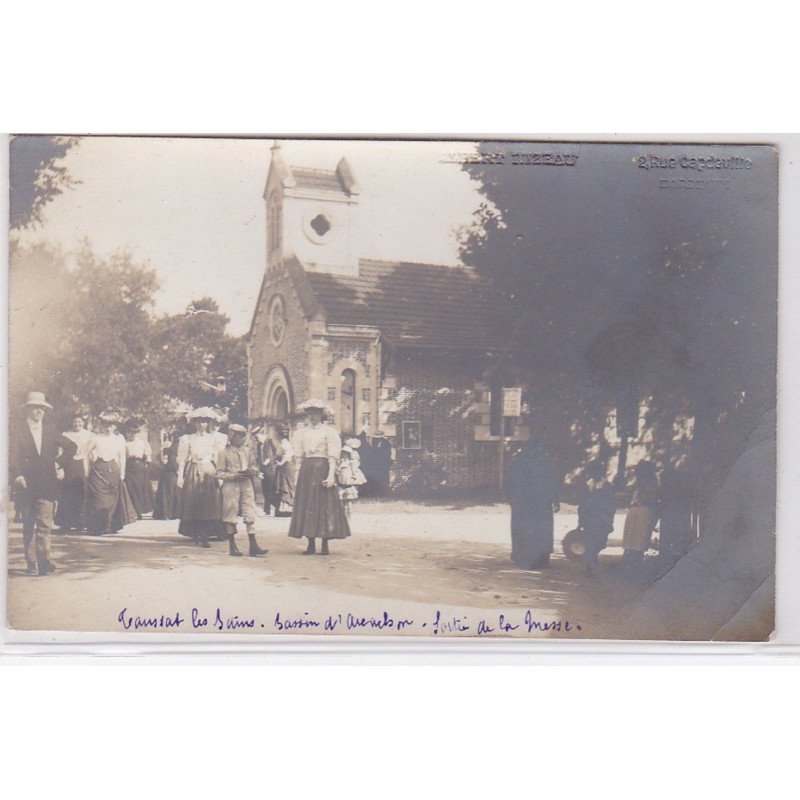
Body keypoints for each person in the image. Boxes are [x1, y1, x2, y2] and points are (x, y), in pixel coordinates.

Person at [10, 392, 63, 575]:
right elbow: (11, 455)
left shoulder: (51, 429)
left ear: (45, 411)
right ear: (28, 410)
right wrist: (17, 475)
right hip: (26, 486)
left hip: (46, 485)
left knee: (45, 525)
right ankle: (31, 563)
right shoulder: (17, 430)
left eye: (41, 408)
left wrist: (59, 464)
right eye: (34, 407)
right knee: (29, 525)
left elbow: (71, 446)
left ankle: (45, 562)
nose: (38, 411)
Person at [288, 400, 351, 555]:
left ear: (321, 414)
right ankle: (310, 544)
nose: (313, 416)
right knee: (308, 504)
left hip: (323, 468)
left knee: (325, 505)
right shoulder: (301, 432)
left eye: (315, 413)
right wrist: (296, 476)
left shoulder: (329, 431)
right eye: (310, 413)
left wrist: (331, 476)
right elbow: (299, 457)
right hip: (307, 470)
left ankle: (324, 544)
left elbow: (333, 456)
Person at [505, 439, 561, 569]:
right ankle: (541, 558)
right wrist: (555, 499)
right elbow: (553, 482)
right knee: (540, 530)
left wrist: (511, 499)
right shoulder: (545, 463)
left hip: (524, 504)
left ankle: (524, 557)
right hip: (539, 503)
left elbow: (509, 483)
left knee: (525, 530)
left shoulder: (518, 462)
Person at [215, 424, 268, 557]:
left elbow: (254, 466)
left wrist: (253, 471)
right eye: (239, 436)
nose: (243, 439)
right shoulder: (224, 452)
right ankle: (232, 546)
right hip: (231, 486)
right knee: (230, 514)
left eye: (244, 436)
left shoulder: (247, 451)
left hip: (246, 484)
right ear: (232, 437)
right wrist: (232, 475)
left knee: (249, 512)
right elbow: (218, 473)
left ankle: (253, 545)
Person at [177, 407, 224, 547]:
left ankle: (205, 534)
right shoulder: (188, 439)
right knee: (193, 501)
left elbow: (217, 459)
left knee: (208, 503)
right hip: (193, 470)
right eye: (198, 422)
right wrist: (180, 476)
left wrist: (220, 475)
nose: (201, 425)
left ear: (208, 423)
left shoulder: (213, 439)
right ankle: (196, 532)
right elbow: (182, 459)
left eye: (204, 422)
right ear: (194, 423)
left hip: (208, 471)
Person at [86, 412, 137, 536]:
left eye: (111, 425)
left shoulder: (119, 438)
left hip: (114, 470)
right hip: (98, 470)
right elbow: (85, 454)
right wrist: (87, 469)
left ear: (115, 426)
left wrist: (122, 473)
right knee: (98, 499)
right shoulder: (96, 438)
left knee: (112, 499)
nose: (109, 427)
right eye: (106, 424)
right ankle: (96, 526)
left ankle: (108, 526)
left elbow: (122, 456)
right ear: (103, 425)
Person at [577, 459, 617, 575]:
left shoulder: (607, 486)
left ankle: (591, 563)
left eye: (596, 471)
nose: (594, 474)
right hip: (589, 519)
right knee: (590, 542)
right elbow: (582, 504)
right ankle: (591, 565)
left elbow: (611, 505)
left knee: (599, 543)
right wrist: (581, 521)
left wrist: (608, 519)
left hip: (601, 519)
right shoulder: (588, 485)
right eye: (592, 472)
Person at [55, 412, 93, 531]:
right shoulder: (66, 434)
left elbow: (91, 452)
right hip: (69, 465)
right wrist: (60, 468)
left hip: (83, 464)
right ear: (71, 423)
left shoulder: (89, 435)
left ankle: (81, 523)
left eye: (79, 422)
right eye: (75, 422)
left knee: (82, 493)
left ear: (83, 423)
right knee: (67, 493)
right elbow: (60, 451)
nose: (77, 424)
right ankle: (66, 523)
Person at [658, 453, 695, 567]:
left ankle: (666, 558)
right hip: (675, 508)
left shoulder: (668, 475)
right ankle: (671, 558)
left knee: (669, 534)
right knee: (673, 534)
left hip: (671, 508)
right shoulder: (678, 476)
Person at [621, 459, 660, 569]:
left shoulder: (647, 484)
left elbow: (648, 498)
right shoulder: (642, 483)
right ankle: (631, 563)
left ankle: (631, 563)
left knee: (635, 539)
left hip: (640, 510)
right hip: (640, 511)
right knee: (636, 539)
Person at [123, 418, 154, 519]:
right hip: (129, 467)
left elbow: (148, 455)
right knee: (131, 489)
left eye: (135, 433)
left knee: (141, 489)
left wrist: (147, 465)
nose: (133, 435)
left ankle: (141, 509)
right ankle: (135, 511)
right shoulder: (124, 443)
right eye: (130, 432)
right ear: (127, 432)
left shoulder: (142, 442)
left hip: (140, 467)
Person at [154, 431, 182, 520]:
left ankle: (170, 513)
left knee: (171, 493)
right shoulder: (172, 449)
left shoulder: (174, 449)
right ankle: (167, 514)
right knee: (168, 493)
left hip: (171, 473)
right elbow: (172, 462)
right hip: (169, 473)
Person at [337, 441, 367, 516]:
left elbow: (354, 471)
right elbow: (338, 471)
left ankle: (348, 515)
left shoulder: (351, 464)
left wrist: (353, 478)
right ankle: (343, 515)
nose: (344, 456)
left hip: (348, 484)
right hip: (341, 483)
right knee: (341, 500)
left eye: (346, 454)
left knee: (348, 501)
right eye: (343, 454)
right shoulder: (341, 463)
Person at [273, 423, 295, 517]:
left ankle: (288, 508)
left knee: (286, 485)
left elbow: (288, 455)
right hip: (283, 467)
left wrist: (281, 463)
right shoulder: (282, 443)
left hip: (286, 466)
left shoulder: (286, 443)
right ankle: (283, 509)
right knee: (282, 485)